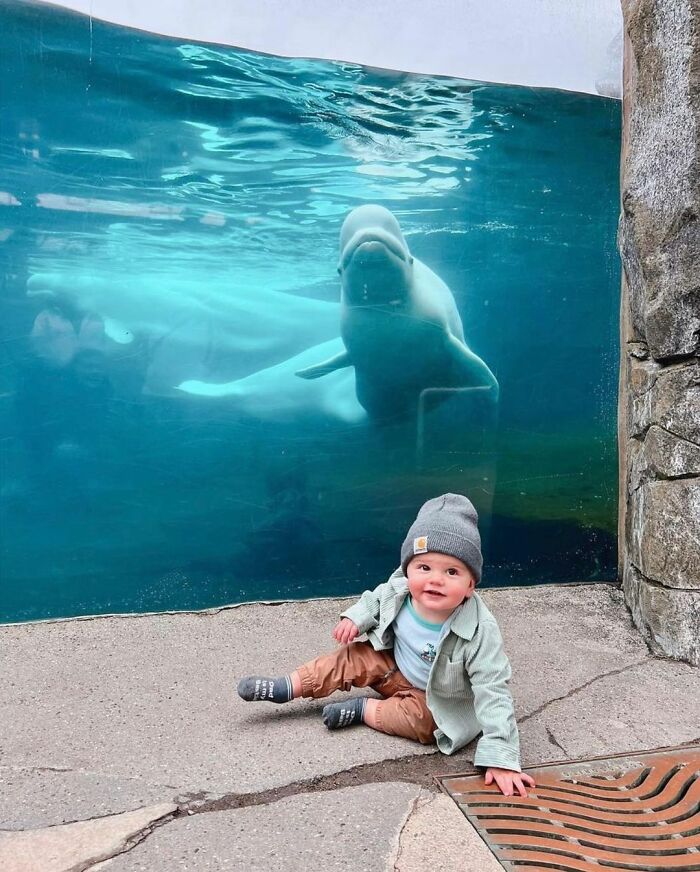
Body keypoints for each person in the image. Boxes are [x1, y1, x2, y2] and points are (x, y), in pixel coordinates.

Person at [237, 493, 535, 797]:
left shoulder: (480, 630)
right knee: (351, 657)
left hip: (434, 699)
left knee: (428, 727)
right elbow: (376, 599)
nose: (436, 580)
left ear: (471, 585)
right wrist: (356, 618)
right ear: (407, 571)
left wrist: (501, 757)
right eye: (424, 568)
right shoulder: (400, 589)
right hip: (391, 665)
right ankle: (289, 686)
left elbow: (493, 690)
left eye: (452, 572)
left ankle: (365, 710)